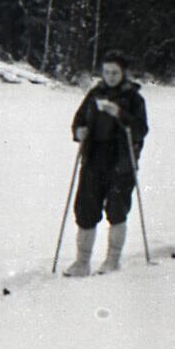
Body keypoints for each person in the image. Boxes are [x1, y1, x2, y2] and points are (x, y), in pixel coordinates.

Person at [64, 50, 149, 276]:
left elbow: (141, 129)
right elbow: (79, 119)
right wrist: (78, 131)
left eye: (115, 72)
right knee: (85, 208)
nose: (110, 76)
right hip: (94, 158)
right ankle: (82, 262)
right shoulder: (95, 93)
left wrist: (119, 113)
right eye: (106, 72)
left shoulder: (133, 98)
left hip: (121, 160)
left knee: (117, 209)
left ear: (123, 73)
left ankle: (112, 260)